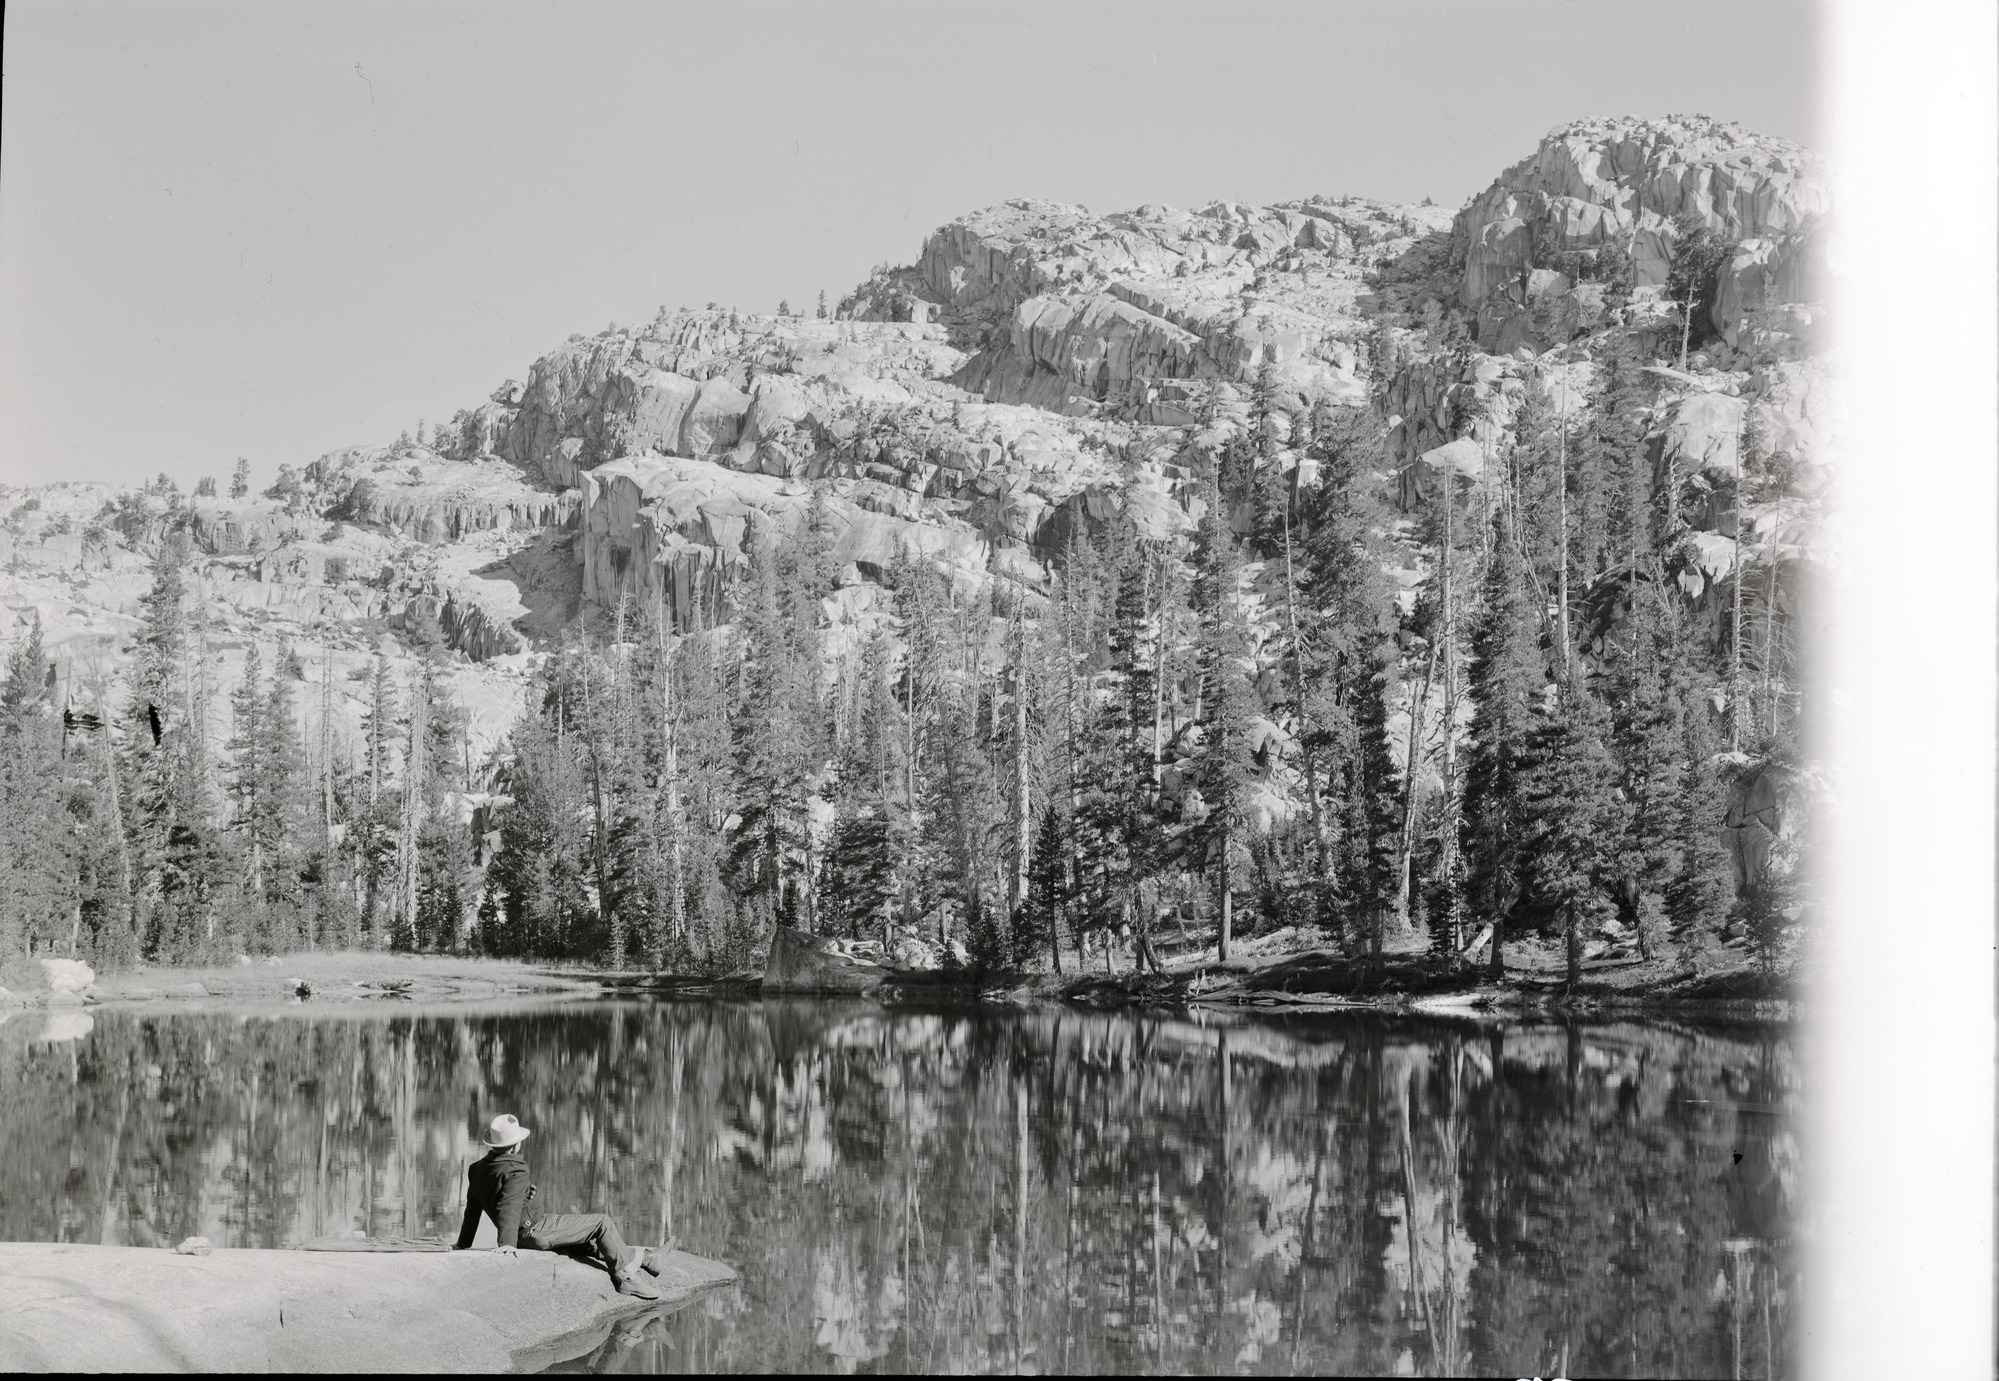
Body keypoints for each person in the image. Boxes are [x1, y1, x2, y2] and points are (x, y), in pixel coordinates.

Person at [452, 1114, 671, 1299]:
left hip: (526, 1231)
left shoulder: (477, 1169)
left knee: (589, 1242)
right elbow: (508, 1205)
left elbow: (474, 1208)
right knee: (602, 1223)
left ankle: (648, 1258)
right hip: (535, 1230)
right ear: (515, 1146)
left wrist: (463, 1243)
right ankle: (627, 1278)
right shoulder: (515, 1169)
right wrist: (507, 1244)